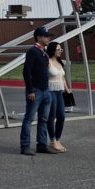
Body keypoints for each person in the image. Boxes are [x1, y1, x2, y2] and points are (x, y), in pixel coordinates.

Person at [19, 26, 58, 155]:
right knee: (29, 118)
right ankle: (25, 146)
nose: (48, 38)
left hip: (46, 90)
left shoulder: (44, 53)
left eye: (49, 36)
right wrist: (30, 90)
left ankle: (41, 144)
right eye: (46, 36)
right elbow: (26, 72)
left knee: (44, 119)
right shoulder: (32, 51)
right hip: (35, 90)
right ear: (39, 37)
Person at [46, 41, 71, 153]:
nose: (60, 51)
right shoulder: (47, 61)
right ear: (52, 50)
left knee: (61, 116)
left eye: (61, 49)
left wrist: (67, 89)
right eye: (58, 49)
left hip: (59, 91)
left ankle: (57, 139)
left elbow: (62, 78)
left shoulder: (60, 62)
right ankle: (52, 141)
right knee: (51, 117)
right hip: (50, 91)